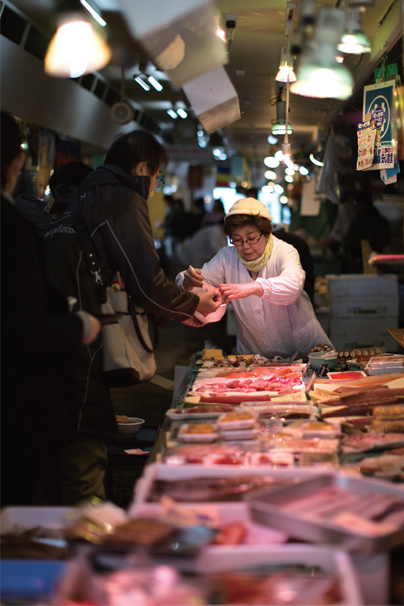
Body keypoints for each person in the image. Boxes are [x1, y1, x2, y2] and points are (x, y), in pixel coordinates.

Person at [44, 129, 220, 504]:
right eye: (156, 176)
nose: (155, 186)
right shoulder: (121, 198)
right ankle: (80, 542)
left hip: (55, 333)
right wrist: (194, 304)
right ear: (142, 168)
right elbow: (145, 280)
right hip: (82, 337)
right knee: (84, 442)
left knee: (66, 439)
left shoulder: (87, 195)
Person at [1, 111, 101, 506]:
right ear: (16, 164)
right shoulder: (13, 230)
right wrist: (79, 326)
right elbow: (26, 330)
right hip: (12, 403)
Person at [177, 198, 332, 359]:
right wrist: (188, 282)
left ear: (265, 233)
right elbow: (203, 284)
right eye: (236, 239)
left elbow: (293, 285)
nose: (245, 246)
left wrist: (252, 288)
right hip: (253, 355)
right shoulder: (226, 256)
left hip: (300, 351)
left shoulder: (284, 251)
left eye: (251, 238)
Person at [343, 191, 391, 272]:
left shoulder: (358, 223)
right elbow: (387, 243)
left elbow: (348, 245)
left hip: (360, 267)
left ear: (360, 205)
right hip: (381, 266)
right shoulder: (382, 221)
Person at [272, 225, 315, 303]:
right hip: (304, 282)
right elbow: (309, 269)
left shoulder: (276, 244)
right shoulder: (299, 240)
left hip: (282, 288)